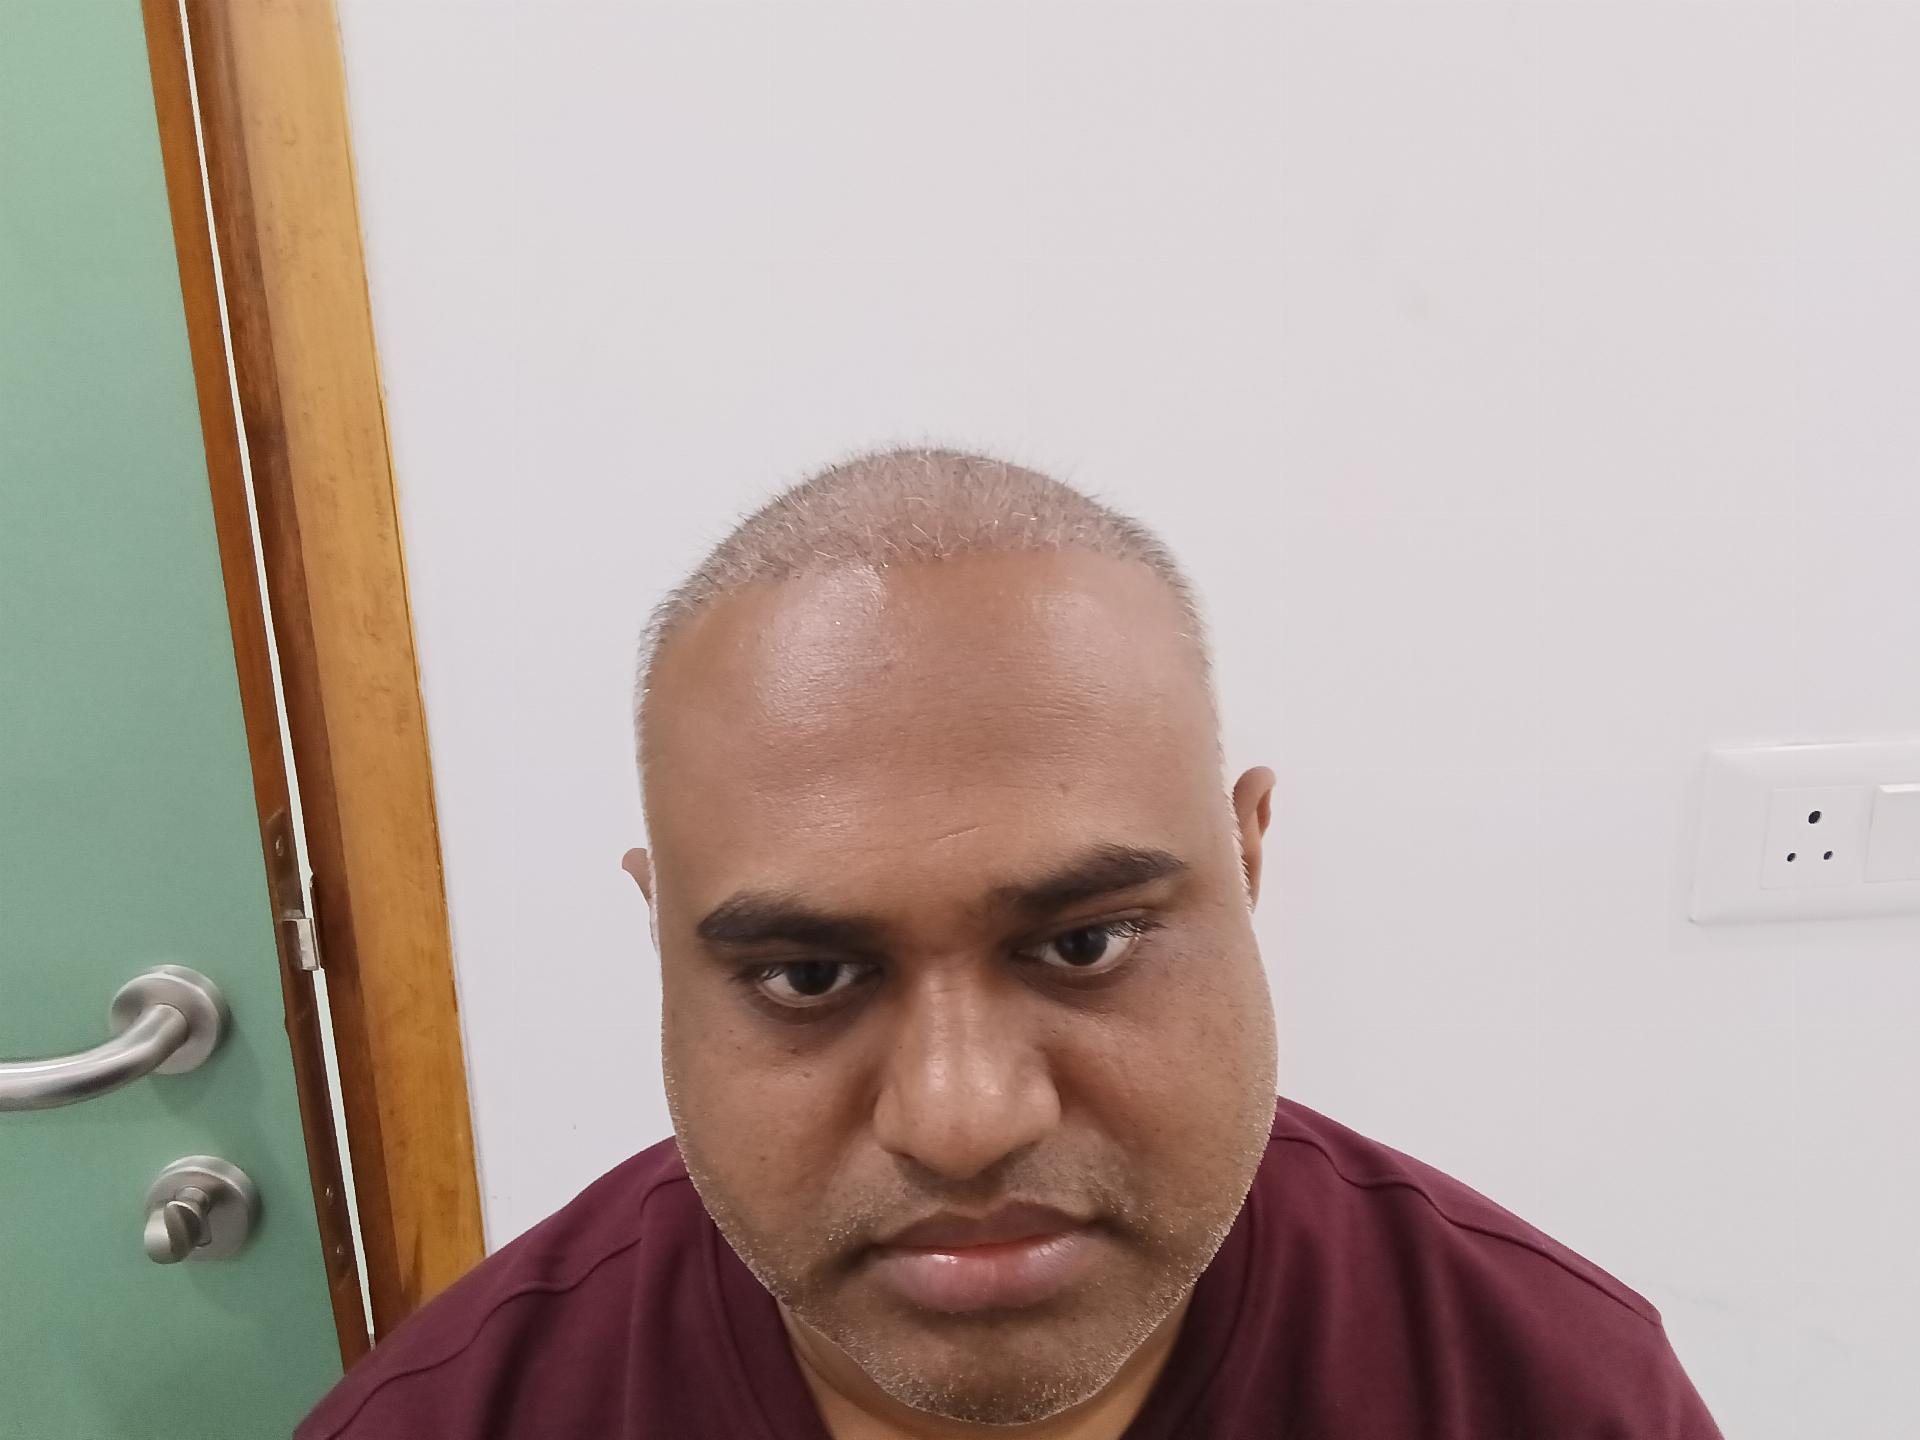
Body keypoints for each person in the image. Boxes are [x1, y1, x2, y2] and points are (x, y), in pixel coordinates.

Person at [296, 449, 1722, 1439]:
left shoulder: (1547, 1393)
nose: (963, 1120)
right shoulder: (449, 1420)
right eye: (808, 975)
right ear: (659, 936)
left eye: (1085, 943)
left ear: (1247, 863)